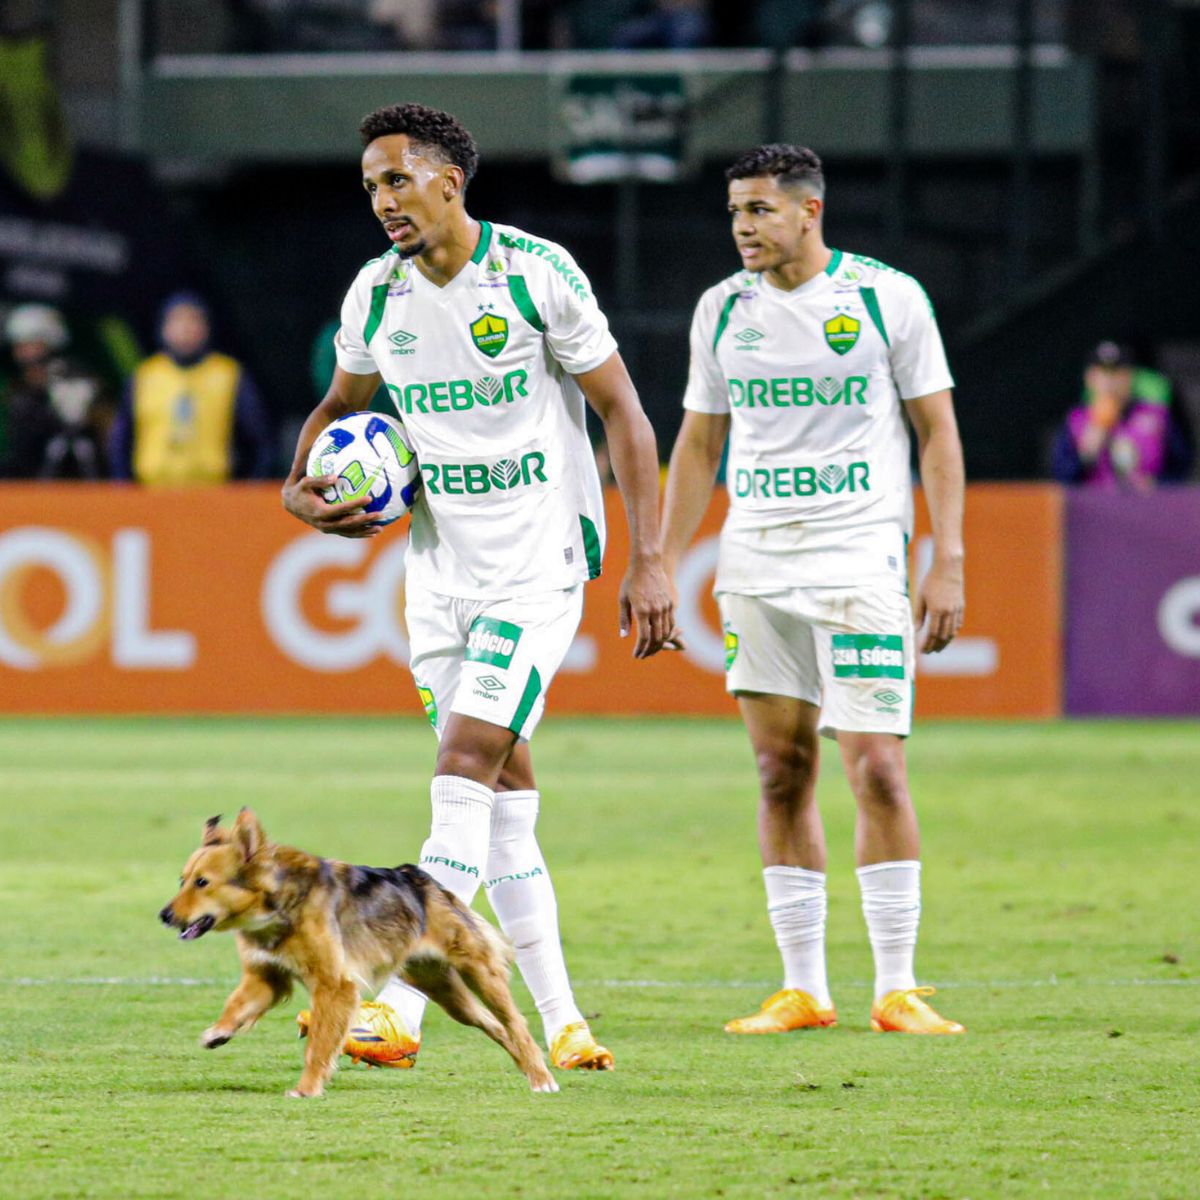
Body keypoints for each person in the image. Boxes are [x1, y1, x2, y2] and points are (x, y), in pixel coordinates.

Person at [281, 103, 672, 1073]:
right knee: (504, 793)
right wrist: (298, 487)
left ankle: (393, 1013)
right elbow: (339, 407)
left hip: (536, 568)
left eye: (397, 179)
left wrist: (649, 555)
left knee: (462, 764)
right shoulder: (376, 297)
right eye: (371, 185)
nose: (382, 201)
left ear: (450, 179)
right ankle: (567, 1020)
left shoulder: (536, 275)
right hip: (438, 575)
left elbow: (621, 408)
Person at [661, 144, 967, 1037]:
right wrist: (660, 559)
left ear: (809, 212)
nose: (742, 229)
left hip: (861, 554)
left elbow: (937, 434)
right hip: (755, 560)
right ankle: (804, 989)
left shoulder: (885, 297)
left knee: (874, 766)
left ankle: (898, 986)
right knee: (778, 769)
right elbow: (698, 446)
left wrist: (946, 559)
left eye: (758, 210)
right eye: (733, 213)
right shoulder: (721, 310)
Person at [109, 292, 274, 485]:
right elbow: (120, 438)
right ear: (164, 328)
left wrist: (252, 488)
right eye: (177, 320)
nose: (185, 328)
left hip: (212, 492)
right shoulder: (145, 376)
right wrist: (122, 486)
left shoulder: (228, 375)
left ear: (206, 328)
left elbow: (261, 440)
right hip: (151, 491)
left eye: (193, 320)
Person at [1051, 340, 1193, 489]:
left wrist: (1157, 485)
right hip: (1094, 509)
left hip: (1148, 508)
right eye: (1101, 373)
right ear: (1089, 378)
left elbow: (1181, 469)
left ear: (1130, 377)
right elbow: (1061, 481)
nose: (1108, 381)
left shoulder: (1157, 415)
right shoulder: (1077, 420)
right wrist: (1085, 456)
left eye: (1116, 373)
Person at [0, 303, 109, 479]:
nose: (23, 353)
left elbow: (97, 433)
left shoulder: (75, 378)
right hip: (24, 480)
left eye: (31, 344)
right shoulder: (17, 389)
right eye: (19, 345)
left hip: (68, 479)